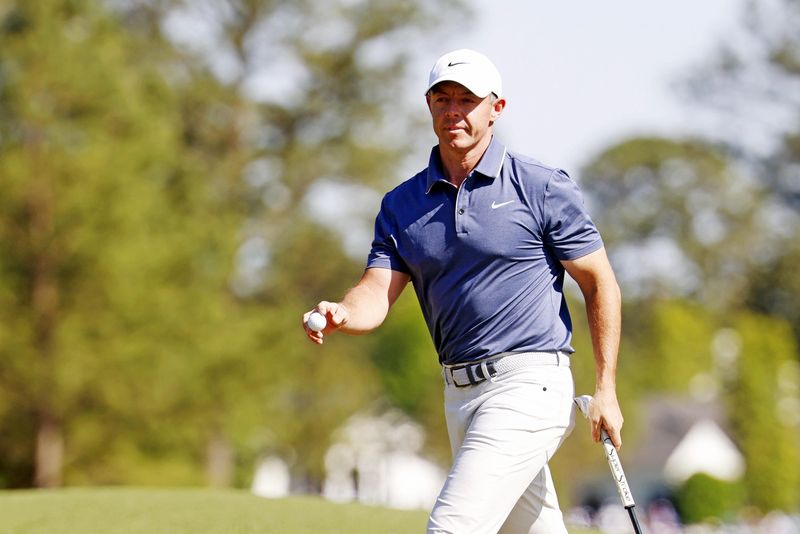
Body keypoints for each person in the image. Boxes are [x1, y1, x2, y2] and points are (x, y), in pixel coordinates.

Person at [303, 48, 624, 534]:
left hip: (529, 385)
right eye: (442, 99)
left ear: (497, 108)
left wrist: (605, 388)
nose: (453, 110)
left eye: (467, 100)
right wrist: (341, 313)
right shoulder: (402, 204)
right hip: (459, 394)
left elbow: (599, 282)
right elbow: (375, 292)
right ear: (429, 106)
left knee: (452, 527)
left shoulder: (539, 186)